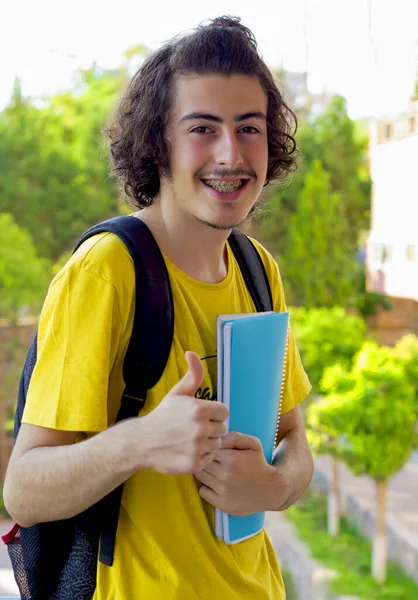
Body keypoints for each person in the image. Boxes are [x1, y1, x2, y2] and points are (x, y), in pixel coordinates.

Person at [4, 15, 313, 600]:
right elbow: (23, 491)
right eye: (203, 127)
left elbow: (294, 437)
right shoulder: (106, 272)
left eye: (250, 128)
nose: (231, 153)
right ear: (159, 143)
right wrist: (143, 441)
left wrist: (274, 486)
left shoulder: (257, 268)